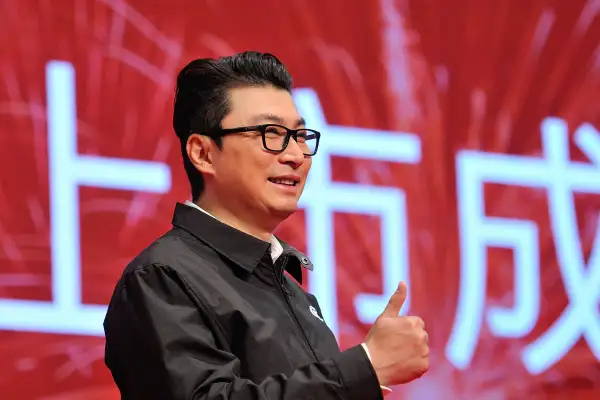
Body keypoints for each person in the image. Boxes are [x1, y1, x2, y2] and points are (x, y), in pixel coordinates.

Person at [103, 51, 429, 400]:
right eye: (270, 133)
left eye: (300, 135)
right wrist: (364, 368)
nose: (295, 155)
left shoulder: (295, 295)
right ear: (203, 153)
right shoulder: (162, 277)